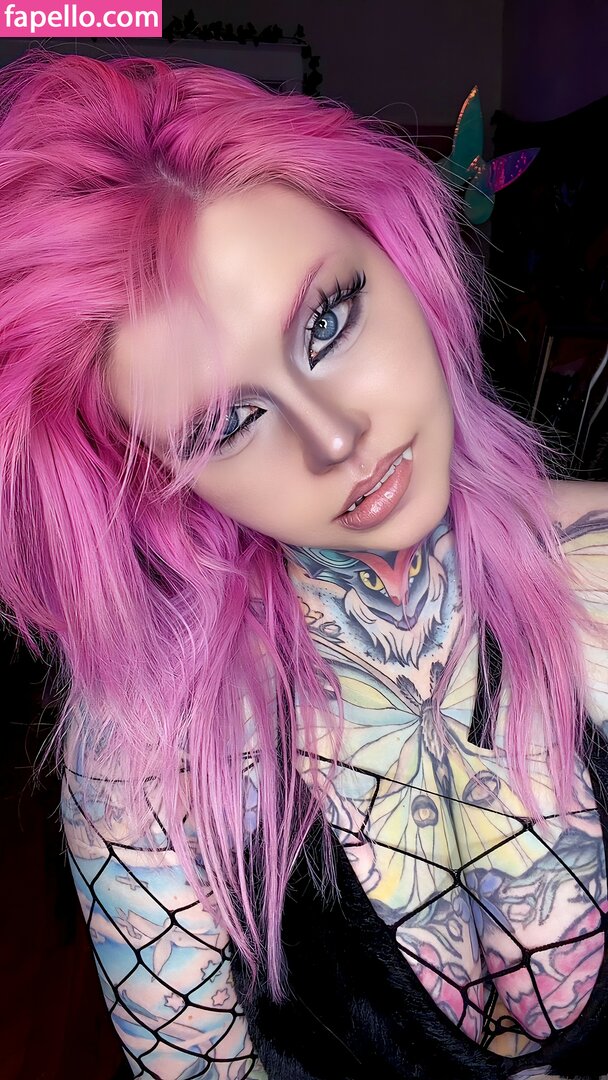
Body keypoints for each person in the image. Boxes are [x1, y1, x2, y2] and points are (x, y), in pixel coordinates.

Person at [0, 48, 607, 1080]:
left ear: (398, 252)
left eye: (328, 320)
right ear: (160, 485)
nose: (334, 439)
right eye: (226, 423)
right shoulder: (148, 754)